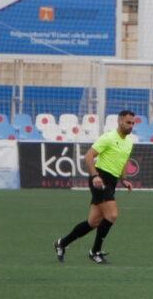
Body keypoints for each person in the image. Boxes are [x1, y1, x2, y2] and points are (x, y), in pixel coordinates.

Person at [54, 109, 137, 264]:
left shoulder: (129, 141)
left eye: (133, 123)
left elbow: (124, 161)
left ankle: (62, 243)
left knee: (93, 222)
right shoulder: (108, 138)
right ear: (120, 121)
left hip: (111, 181)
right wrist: (95, 176)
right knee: (112, 215)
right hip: (100, 179)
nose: (131, 125)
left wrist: (124, 179)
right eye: (128, 122)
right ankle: (95, 251)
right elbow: (88, 157)